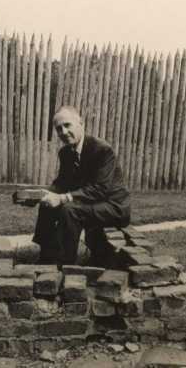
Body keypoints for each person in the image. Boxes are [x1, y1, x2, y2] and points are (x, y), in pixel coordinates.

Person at [32, 105, 131, 266]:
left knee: (69, 210)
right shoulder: (65, 153)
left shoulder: (102, 150)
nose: (63, 132)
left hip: (113, 206)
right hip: (92, 202)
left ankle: (65, 264)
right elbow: (62, 183)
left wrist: (63, 198)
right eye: (59, 129)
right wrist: (41, 195)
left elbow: (100, 189)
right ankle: (46, 257)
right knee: (47, 204)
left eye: (67, 125)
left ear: (81, 123)